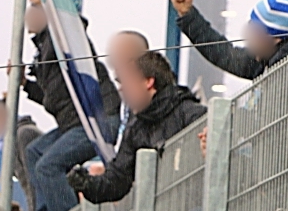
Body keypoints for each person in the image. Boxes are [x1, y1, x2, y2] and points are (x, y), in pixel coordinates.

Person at [18, 0, 121, 211]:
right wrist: (25, 84)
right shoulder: (45, 50)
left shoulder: (65, 38)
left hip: (95, 120)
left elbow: (68, 14)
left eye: (34, 9)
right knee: (34, 152)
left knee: (48, 166)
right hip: (74, 123)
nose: (27, 15)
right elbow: (52, 98)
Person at [66, 51, 207, 203]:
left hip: (195, 208)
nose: (122, 89)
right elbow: (117, 180)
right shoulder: (135, 129)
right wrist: (87, 184)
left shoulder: (192, 114)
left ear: (148, 82)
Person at [171, 0, 288, 79]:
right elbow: (224, 54)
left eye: (255, 30)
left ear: (275, 38)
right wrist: (188, 15)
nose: (248, 35)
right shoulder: (264, 59)